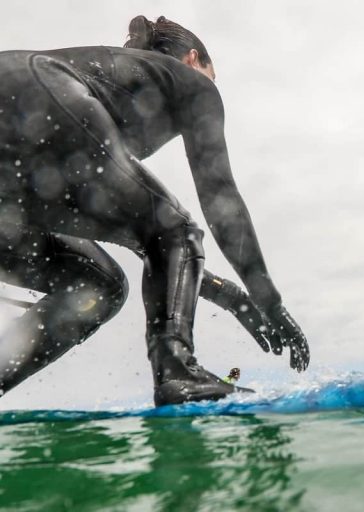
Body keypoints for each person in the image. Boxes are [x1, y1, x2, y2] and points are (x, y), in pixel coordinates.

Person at [0, 15, 309, 405]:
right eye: (211, 76)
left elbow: (146, 237)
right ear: (193, 59)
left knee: (98, 286)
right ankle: (178, 371)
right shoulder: (191, 83)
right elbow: (219, 198)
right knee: (177, 228)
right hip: (30, 89)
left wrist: (227, 293)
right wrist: (272, 304)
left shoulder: (112, 93)